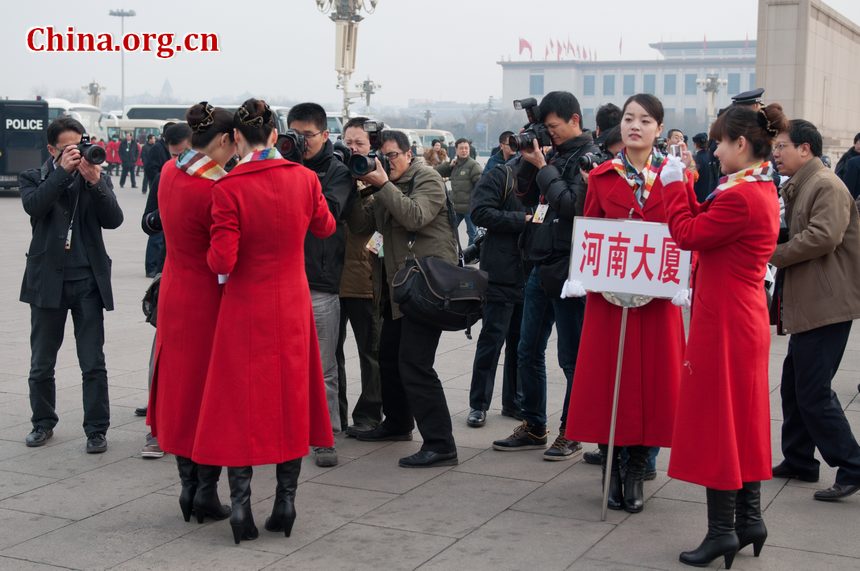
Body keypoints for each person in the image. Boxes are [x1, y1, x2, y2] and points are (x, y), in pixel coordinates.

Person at [191, 98, 335, 544]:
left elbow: (223, 258)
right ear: (275, 134)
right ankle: (285, 503)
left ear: (236, 138)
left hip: (244, 310)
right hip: (292, 305)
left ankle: (239, 509)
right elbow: (326, 227)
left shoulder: (229, 188)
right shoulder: (306, 179)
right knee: (291, 400)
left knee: (242, 406)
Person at [661, 103, 786, 567]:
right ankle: (748, 519)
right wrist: (689, 184)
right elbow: (705, 228)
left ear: (740, 144)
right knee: (742, 420)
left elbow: (687, 233)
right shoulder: (755, 187)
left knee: (719, 422)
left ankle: (721, 532)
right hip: (742, 315)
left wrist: (674, 186)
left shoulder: (740, 196)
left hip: (726, 321)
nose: (714, 149)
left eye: (718, 142)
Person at [563, 94, 690, 513]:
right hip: (610, 297)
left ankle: (637, 468)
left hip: (656, 298)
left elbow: (686, 231)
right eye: (629, 119)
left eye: (645, 120)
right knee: (606, 381)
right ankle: (612, 467)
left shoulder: (677, 178)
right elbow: (589, 233)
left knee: (656, 382)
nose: (635, 126)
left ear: (659, 129)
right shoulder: (601, 177)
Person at [492, 90, 599, 461]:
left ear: (574, 120)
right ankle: (535, 424)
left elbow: (574, 206)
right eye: (545, 127)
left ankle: (573, 430)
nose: (549, 133)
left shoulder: (591, 156)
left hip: (571, 269)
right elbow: (521, 192)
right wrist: (531, 154)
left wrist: (544, 167)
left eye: (553, 126)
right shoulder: (551, 153)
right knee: (527, 349)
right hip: (540, 262)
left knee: (571, 358)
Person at [347, 129, 460, 468]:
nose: (388, 161)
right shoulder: (384, 184)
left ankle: (441, 444)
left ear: (409, 154)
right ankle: (397, 423)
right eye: (383, 156)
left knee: (415, 364)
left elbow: (415, 216)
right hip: (398, 291)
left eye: (393, 155)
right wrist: (353, 185)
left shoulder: (426, 178)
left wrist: (383, 185)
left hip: (427, 289)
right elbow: (362, 226)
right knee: (391, 358)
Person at [147, 102, 236, 523]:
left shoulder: (171, 171)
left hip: (174, 292)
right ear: (222, 140)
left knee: (179, 391)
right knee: (209, 395)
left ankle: (188, 487)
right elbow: (223, 259)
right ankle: (205, 491)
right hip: (207, 299)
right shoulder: (217, 188)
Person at [19, 117, 124, 453]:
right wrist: (62, 173)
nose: (77, 152)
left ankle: (96, 429)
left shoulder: (93, 174)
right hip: (47, 281)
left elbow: (114, 220)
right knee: (42, 361)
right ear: (52, 149)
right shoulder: (34, 177)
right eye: (68, 148)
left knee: (92, 361)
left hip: (87, 282)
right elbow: (34, 206)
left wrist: (95, 183)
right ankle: (42, 422)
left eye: (79, 144)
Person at [770, 119, 860, 502]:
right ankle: (800, 459)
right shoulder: (804, 184)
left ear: (805, 149)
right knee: (793, 382)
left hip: (828, 303)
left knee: (813, 390)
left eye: (782, 147)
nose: (776, 153)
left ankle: (852, 464)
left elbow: (824, 236)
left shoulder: (825, 184)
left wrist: (773, 254)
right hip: (812, 301)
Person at [287, 102, 354, 468]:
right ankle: (286, 430)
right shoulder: (286, 168)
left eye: (307, 136)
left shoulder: (336, 172)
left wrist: (296, 176)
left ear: (325, 135)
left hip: (319, 280)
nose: (300, 142)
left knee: (324, 365)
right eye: (294, 135)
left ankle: (326, 436)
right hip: (283, 278)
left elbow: (324, 215)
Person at [138, 122, 192, 457]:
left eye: (184, 153)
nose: (180, 160)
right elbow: (146, 223)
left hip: (213, 278)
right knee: (163, 352)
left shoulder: (221, 175)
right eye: (174, 155)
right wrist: (163, 216)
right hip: (176, 274)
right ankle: (157, 428)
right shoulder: (166, 175)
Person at [466, 145, 528, 427]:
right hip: (502, 272)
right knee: (492, 341)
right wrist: (521, 220)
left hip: (532, 273)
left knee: (522, 344)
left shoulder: (550, 178)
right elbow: (479, 212)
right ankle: (478, 404)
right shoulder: (503, 175)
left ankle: (514, 401)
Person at [338, 117, 383, 437]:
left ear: (372, 148)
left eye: (359, 144)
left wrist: (357, 183)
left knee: (372, 354)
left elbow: (363, 226)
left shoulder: (380, 182)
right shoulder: (331, 175)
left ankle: (369, 413)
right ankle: (334, 413)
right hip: (329, 279)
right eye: (348, 143)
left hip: (365, 282)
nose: (352, 149)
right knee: (329, 355)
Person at [436, 138, 482, 246]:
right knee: (449, 232)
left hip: (470, 208)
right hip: (455, 207)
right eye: (461, 148)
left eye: (466, 148)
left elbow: (480, 186)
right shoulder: (455, 165)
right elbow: (436, 172)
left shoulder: (473, 165)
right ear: (456, 150)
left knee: (472, 233)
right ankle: (452, 254)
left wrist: (476, 203)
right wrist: (449, 165)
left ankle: (470, 256)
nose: (464, 151)